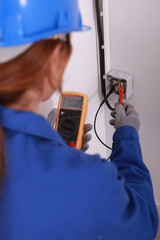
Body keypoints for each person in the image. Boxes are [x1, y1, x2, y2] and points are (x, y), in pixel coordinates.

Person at [0, 0, 159, 239]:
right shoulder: (86, 181)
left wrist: (49, 150)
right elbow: (144, 220)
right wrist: (128, 138)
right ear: (55, 57)